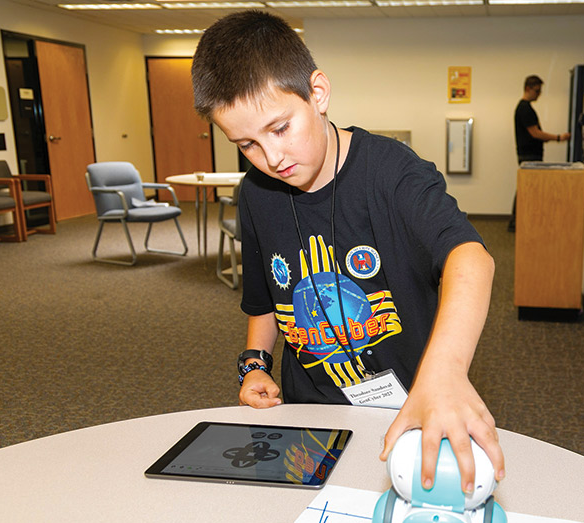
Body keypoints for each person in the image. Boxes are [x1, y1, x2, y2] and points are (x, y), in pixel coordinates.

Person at [191, 10, 504, 494]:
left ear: (318, 94)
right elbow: (265, 302)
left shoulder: (393, 172)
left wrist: (444, 373)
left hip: (412, 405)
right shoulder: (256, 193)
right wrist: (254, 364)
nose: (272, 158)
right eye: (247, 144)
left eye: (280, 128)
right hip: (307, 414)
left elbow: (472, 257)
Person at [508, 75, 571, 232]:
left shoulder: (524, 107)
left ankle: (517, 222)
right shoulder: (525, 108)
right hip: (529, 155)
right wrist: (558, 138)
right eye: (537, 90)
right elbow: (535, 133)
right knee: (527, 188)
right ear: (528, 88)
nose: (539, 94)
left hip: (528, 154)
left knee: (525, 187)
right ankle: (516, 223)